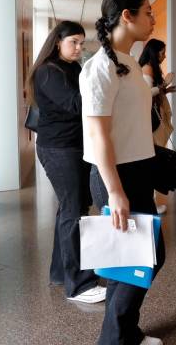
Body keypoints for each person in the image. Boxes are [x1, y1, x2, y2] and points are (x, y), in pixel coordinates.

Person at [80, 0, 165, 345]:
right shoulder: (99, 67)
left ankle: (125, 332)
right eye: (148, 12)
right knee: (146, 256)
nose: (153, 19)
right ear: (126, 16)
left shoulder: (127, 61)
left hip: (137, 169)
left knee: (128, 259)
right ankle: (115, 338)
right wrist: (114, 191)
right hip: (116, 174)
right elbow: (98, 136)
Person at [26, 21, 106, 303]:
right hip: (58, 149)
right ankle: (79, 286)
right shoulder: (48, 71)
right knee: (74, 212)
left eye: (81, 43)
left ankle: (61, 272)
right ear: (57, 41)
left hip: (74, 146)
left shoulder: (72, 68)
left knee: (72, 209)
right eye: (74, 41)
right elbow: (76, 104)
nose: (78, 48)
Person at [139, 39, 175, 215]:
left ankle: (151, 202)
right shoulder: (147, 68)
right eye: (162, 53)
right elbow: (145, 93)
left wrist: (165, 90)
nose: (164, 56)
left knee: (154, 160)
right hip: (151, 121)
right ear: (154, 53)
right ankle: (151, 203)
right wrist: (164, 85)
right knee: (152, 160)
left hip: (154, 119)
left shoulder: (150, 68)